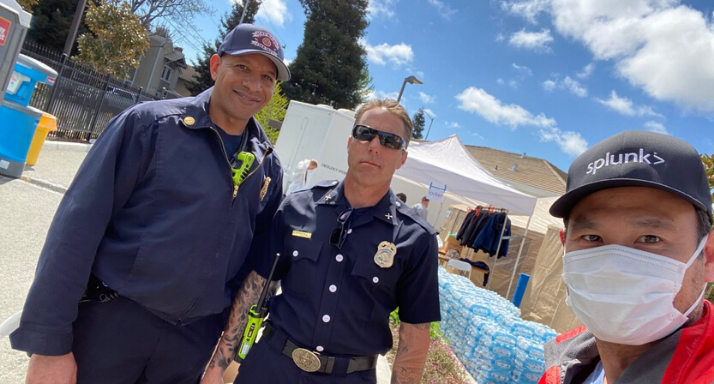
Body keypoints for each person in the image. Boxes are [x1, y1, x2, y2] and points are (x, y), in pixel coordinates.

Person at [10, 24, 289, 384]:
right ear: (216, 66)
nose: (254, 86)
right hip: (111, 327)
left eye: (267, 77)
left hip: (191, 346)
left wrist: (221, 362)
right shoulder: (150, 127)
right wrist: (49, 345)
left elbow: (253, 271)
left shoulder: (268, 168)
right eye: (243, 68)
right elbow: (74, 234)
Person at [202, 99, 441, 384]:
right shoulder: (297, 207)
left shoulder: (416, 238)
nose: (375, 146)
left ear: (402, 157)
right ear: (351, 142)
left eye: (390, 141)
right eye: (366, 133)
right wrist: (217, 367)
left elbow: (414, 336)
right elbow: (256, 287)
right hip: (270, 368)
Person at [540, 131, 714, 384]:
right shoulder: (570, 365)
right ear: (565, 246)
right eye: (592, 238)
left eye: (650, 238)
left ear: (710, 256)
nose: (615, 267)